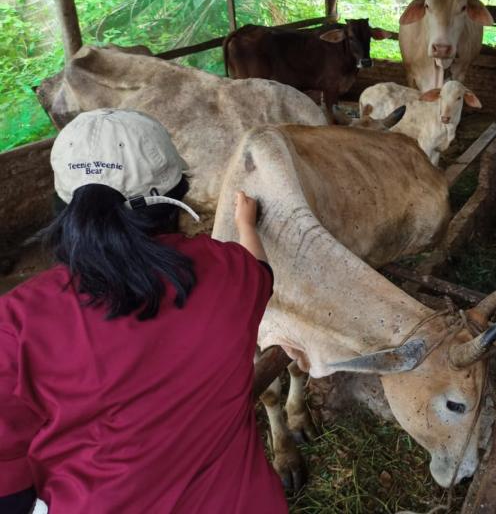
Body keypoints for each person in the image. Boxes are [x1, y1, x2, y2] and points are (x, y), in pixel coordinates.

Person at [0, 108, 288, 513]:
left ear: (66, 206)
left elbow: (8, 490)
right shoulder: (229, 273)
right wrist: (246, 226)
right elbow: (262, 271)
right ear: (177, 194)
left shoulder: (16, 321)